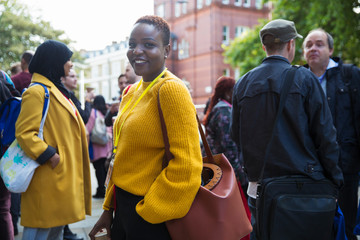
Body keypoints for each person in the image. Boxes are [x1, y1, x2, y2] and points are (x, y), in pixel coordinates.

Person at [89, 15, 203, 240]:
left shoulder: (172, 90)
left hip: (149, 214)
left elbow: (187, 165)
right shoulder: (131, 92)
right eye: (132, 45)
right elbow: (120, 157)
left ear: (166, 49)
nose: (137, 51)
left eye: (148, 45)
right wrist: (108, 210)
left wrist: (149, 212)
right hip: (122, 208)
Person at [230, 19, 344, 239]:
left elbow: (237, 136)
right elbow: (326, 137)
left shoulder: (243, 84)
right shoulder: (305, 79)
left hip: (260, 189)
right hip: (303, 190)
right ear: (291, 44)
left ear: (264, 47)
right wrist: (335, 182)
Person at [15, 40, 91, 240]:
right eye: (67, 59)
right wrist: (50, 155)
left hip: (56, 175)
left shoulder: (54, 89)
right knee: (38, 230)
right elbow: (24, 132)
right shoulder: (37, 91)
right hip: (47, 174)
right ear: (55, 61)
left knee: (54, 229)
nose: (71, 64)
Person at [303, 28, 360, 240]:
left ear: (331, 49)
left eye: (319, 44)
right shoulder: (298, 80)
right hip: (311, 168)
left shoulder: (350, 75)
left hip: (346, 165)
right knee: (317, 226)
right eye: (308, 45)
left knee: (346, 223)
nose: (313, 48)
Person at [202, 76, 247, 190]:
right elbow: (228, 145)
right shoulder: (223, 111)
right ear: (227, 93)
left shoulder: (221, 108)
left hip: (218, 167)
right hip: (222, 169)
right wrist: (241, 177)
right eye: (235, 90)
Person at [86, 95, 112, 199]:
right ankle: (106, 190)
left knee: (99, 170)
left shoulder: (93, 112)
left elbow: (88, 129)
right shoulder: (106, 112)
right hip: (107, 145)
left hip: (97, 147)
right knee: (105, 170)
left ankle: (101, 190)